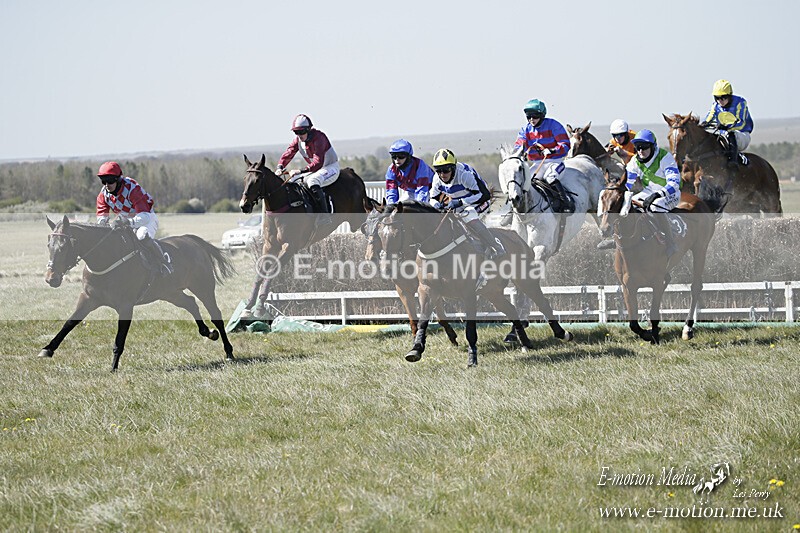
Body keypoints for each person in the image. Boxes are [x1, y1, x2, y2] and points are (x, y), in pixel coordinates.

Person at [598, 130, 681, 255]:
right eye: (637, 148)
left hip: (670, 193)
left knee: (653, 206)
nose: (640, 151)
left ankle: (670, 242)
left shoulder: (665, 157)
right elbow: (628, 184)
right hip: (648, 192)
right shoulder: (635, 161)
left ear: (653, 146)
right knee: (626, 204)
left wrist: (657, 194)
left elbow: (674, 184)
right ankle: (617, 238)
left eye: (644, 147)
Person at [95, 161, 172, 275]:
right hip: (126, 223)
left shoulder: (133, 189)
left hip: (146, 219)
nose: (107, 184)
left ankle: (164, 263)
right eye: (103, 181)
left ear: (118, 179)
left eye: (110, 180)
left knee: (141, 236)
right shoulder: (103, 195)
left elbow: (144, 217)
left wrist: (127, 222)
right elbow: (101, 219)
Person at [428, 148, 505, 259]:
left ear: (453, 168)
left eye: (446, 170)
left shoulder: (464, 175)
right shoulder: (437, 179)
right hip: (459, 204)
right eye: (438, 170)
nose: (442, 174)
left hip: (480, 201)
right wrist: (436, 206)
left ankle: (496, 246)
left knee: (467, 215)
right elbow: (433, 198)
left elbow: (485, 195)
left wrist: (461, 202)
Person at [275, 114, 338, 225]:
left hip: (330, 167)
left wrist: (300, 171)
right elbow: (289, 153)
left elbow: (318, 163)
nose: (299, 135)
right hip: (315, 170)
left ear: (308, 129)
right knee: (291, 181)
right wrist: (280, 166)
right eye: (296, 132)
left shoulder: (319, 138)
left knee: (312, 181)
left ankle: (325, 216)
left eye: (301, 132)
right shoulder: (298, 141)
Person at [513, 98, 572, 210]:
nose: (531, 119)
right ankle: (514, 209)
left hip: (555, 162)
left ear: (542, 115)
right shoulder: (526, 129)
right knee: (523, 181)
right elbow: (519, 145)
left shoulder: (553, 125)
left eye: (535, 116)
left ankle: (566, 204)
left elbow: (565, 145)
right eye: (529, 116)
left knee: (550, 177)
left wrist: (552, 150)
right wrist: (517, 153)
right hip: (537, 164)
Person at [699, 79, 753, 166]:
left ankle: (733, 161)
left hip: (741, 134)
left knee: (730, 134)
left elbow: (741, 123)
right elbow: (708, 120)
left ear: (729, 96)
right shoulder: (715, 105)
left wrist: (727, 128)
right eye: (717, 98)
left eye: (723, 97)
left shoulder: (740, 103)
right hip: (723, 133)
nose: (720, 100)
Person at [384, 139, 434, 204]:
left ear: (409, 156)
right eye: (394, 156)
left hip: (430, 191)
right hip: (411, 193)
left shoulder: (420, 166)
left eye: (401, 156)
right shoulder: (391, 170)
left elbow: (422, 192)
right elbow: (391, 194)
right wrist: (391, 208)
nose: (397, 159)